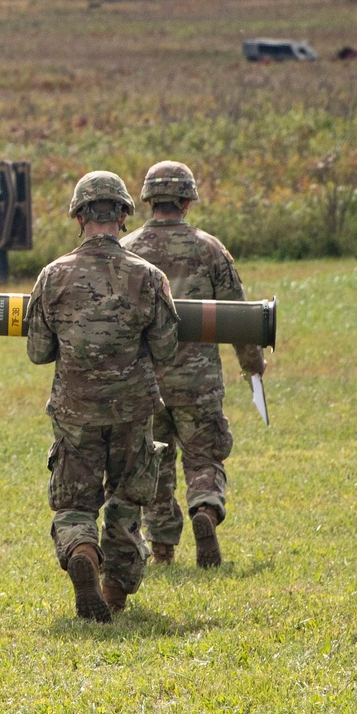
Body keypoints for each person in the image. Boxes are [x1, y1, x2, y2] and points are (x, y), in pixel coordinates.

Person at [26, 171, 179, 622]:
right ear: (124, 215)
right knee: (127, 499)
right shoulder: (150, 277)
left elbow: (37, 351)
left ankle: (81, 551)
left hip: (75, 410)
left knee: (75, 502)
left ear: (78, 215)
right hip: (133, 408)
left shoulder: (52, 275)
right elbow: (167, 348)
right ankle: (114, 590)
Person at [122, 160, 266, 569]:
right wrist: (252, 363)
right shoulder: (209, 248)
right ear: (187, 200)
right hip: (198, 380)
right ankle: (204, 507)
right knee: (204, 455)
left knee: (156, 461)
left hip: (146, 381)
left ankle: (163, 549)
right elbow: (238, 316)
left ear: (149, 200)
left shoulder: (128, 251)